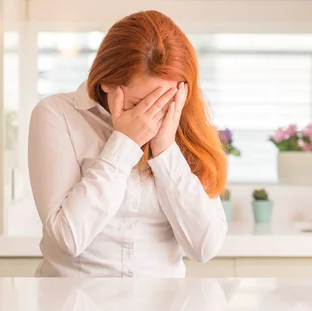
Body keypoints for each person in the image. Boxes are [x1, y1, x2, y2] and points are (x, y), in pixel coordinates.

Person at [28, 10, 228, 277]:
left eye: (164, 103)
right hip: (75, 301)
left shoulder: (181, 122)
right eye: (139, 104)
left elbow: (205, 247)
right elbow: (68, 239)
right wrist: (124, 144)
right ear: (108, 81)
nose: (153, 116)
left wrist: (166, 151)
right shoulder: (57, 114)